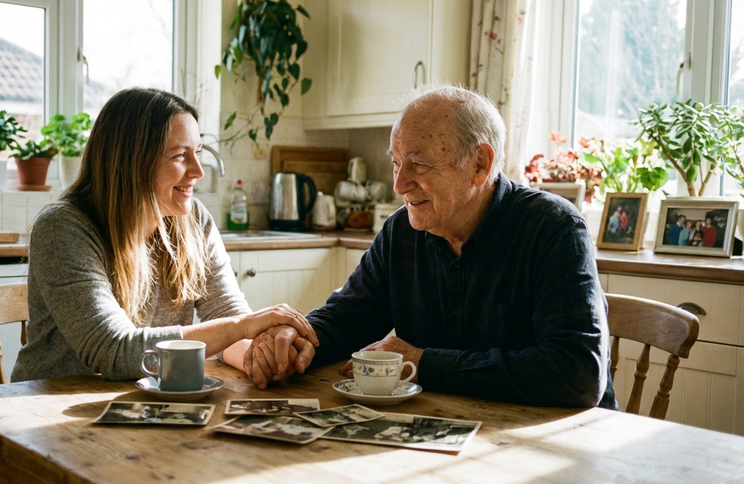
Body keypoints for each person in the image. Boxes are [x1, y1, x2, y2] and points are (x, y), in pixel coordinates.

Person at [246, 84, 617, 410]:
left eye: (418, 164)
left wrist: (423, 362)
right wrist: (298, 338)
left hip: (557, 447)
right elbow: (349, 317)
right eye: (395, 163)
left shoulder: (552, 229)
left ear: (479, 164)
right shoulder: (401, 232)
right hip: (447, 428)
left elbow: (577, 373)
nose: (399, 184)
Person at [11, 88, 318, 382]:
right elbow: (115, 350)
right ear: (132, 162)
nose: (198, 171)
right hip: (46, 406)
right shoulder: (63, 228)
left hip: (142, 401)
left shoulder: (193, 219)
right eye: (179, 156)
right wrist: (243, 326)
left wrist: (260, 356)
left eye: (197, 153)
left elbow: (228, 320)